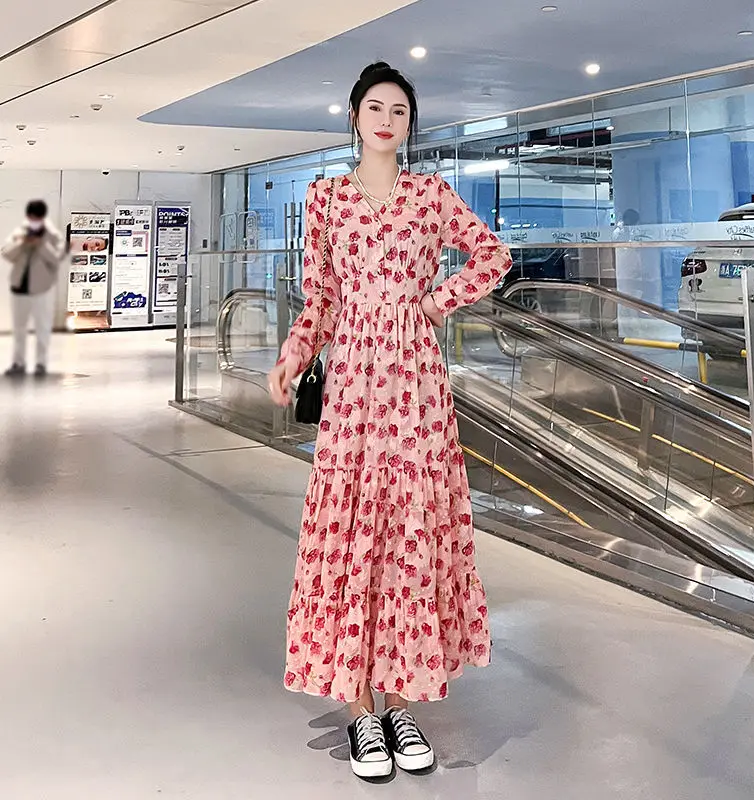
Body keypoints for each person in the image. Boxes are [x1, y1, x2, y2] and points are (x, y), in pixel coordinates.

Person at [268, 62, 512, 780]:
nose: (386, 120)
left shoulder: (429, 195)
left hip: (416, 386)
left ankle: (401, 703)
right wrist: (292, 356)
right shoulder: (326, 197)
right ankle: (359, 709)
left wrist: (437, 301)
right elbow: (320, 298)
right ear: (354, 116)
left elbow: (493, 254)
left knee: (409, 530)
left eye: (398, 111)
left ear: (410, 124)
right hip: (352, 386)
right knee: (353, 530)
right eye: (374, 107)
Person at [2, 200, 64, 377]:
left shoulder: (53, 236)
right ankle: (18, 363)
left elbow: (56, 259)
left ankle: (41, 364)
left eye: (36, 218)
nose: (33, 220)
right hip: (19, 288)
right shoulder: (20, 232)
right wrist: (22, 243)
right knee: (19, 329)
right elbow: (6, 253)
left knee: (42, 328)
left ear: (42, 218)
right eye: (31, 217)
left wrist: (41, 245)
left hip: (42, 289)